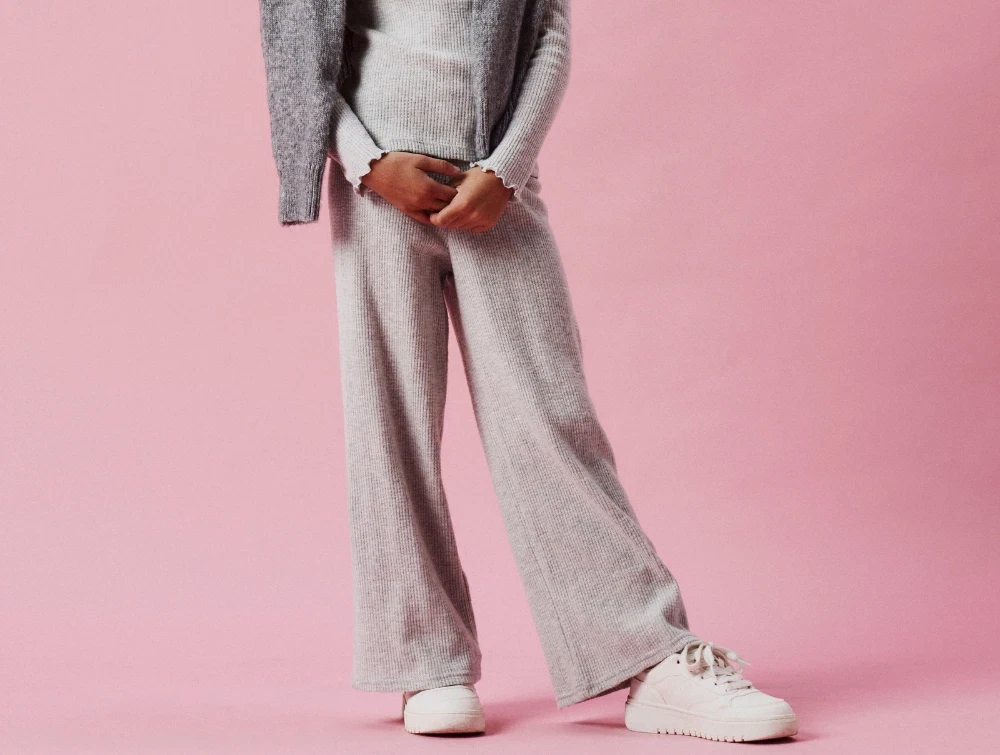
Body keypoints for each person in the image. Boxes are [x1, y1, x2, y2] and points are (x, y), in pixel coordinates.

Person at [257, 0, 799, 742]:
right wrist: (368, 164)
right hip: (378, 185)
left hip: (493, 183)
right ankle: (425, 661)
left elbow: (547, 32)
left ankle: (648, 655)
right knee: (388, 422)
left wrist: (506, 170)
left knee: (549, 416)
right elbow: (298, 41)